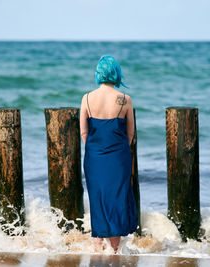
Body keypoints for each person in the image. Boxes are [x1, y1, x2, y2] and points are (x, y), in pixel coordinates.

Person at [79, 55, 138, 253]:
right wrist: (118, 151)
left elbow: (84, 132)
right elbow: (130, 133)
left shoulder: (87, 98)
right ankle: (114, 249)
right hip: (119, 157)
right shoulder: (125, 99)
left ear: (98, 74)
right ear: (116, 73)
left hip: (94, 157)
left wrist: (96, 151)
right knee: (117, 197)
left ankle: (97, 245)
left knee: (98, 198)